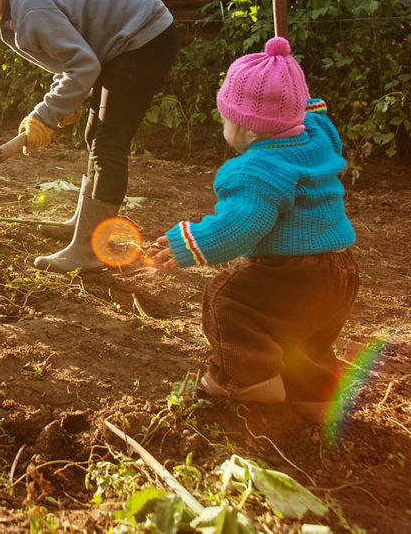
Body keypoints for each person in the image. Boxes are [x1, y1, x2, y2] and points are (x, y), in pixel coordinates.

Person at [148, 36, 358, 421]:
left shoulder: (255, 170)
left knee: (227, 299)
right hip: (340, 272)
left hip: (294, 273)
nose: (224, 125)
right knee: (307, 339)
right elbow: (316, 115)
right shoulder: (316, 135)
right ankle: (316, 397)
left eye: (227, 118)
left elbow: (239, 227)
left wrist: (189, 242)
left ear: (247, 129)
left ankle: (246, 380)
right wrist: (296, 95)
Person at [0, 0, 178, 271]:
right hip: (118, 47)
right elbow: (72, 64)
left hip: (144, 38)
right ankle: (83, 225)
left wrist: (45, 114)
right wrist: (67, 101)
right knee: (94, 135)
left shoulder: (31, 9)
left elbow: (83, 65)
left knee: (107, 141)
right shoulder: (14, 18)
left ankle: (88, 249)